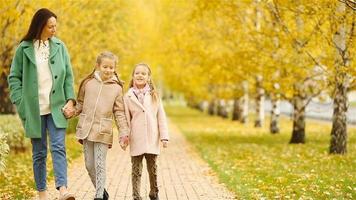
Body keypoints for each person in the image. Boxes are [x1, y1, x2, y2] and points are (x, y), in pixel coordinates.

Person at [7, 8, 76, 200]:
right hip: (34, 110)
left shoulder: (60, 47)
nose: (54, 30)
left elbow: (69, 77)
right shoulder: (24, 48)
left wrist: (70, 100)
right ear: (40, 27)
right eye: (50, 26)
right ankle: (42, 193)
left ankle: (63, 190)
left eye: (55, 26)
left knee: (58, 147)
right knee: (39, 153)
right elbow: (14, 78)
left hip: (57, 109)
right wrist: (21, 103)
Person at [74, 51, 130, 200]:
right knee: (89, 165)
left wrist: (124, 132)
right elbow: (80, 103)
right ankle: (102, 191)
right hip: (86, 128)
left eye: (111, 68)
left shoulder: (117, 88)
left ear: (115, 69)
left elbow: (119, 112)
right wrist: (70, 112)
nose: (108, 70)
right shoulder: (88, 83)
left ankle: (98, 196)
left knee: (99, 164)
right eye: (105, 66)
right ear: (98, 66)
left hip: (103, 131)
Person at [121, 63, 169, 200]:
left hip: (152, 138)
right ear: (133, 76)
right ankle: (136, 196)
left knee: (152, 169)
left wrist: (164, 137)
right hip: (136, 138)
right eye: (137, 73)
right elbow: (126, 118)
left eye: (143, 73)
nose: (140, 75)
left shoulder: (154, 95)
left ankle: (154, 193)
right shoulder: (128, 96)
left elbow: (161, 116)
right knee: (136, 170)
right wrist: (125, 137)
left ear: (148, 77)